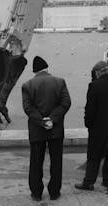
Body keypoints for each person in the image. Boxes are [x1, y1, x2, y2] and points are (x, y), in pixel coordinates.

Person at [22, 56, 71, 201]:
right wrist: (52, 119)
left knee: (36, 162)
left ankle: (36, 193)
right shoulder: (60, 82)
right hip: (55, 130)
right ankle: (54, 192)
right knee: (56, 162)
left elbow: (28, 108)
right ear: (47, 68)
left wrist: (42, 121)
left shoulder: (27, 85)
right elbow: (66, 103)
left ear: (35, 71)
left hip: (37, 130)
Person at [75, 60, 108, 193]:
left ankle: (89, 182)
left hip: (98, 128)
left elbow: (90, 109)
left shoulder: (94, 86)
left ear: (98, 72)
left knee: (94, 156)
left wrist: (88, 123)